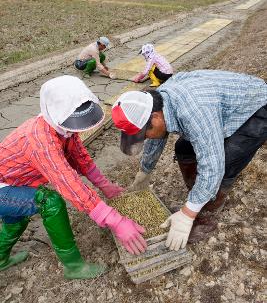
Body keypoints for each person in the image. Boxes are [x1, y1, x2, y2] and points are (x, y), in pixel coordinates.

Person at [0, 76, 147, 279]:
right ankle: (74, 266)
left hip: (13, 182)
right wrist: (116, 221)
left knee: (17, 221)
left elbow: (81, 158)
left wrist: (105, 185)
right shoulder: (40, 140)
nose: (75, 130)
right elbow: (68, 184)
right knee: (50, 201)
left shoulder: (64, 129)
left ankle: (1, 260)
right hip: (3, 186)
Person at [111, 70, 267, 251]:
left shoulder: (193, 110)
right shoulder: (159, 102)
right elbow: (155, 138)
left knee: (225, 162)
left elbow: (212, 167)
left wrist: (187, 214)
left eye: (144, 134)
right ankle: (199, 193)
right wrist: (145, 171)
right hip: (220, 105)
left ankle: (207, 210)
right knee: (183, 148)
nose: (146, 138)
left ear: (155, 117)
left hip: (256, 107)